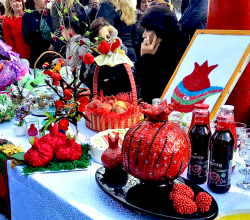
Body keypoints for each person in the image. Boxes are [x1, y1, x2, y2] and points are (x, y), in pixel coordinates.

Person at [135, 5, 185, 104]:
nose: (144, 35)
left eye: (148, 30)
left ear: (160, 29)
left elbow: (150, 90)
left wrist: (145, 57)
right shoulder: (163, 47)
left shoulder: (173, 53)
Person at [80, 17, 132, 97]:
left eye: (108, 37)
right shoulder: (90, 59)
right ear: (93, 42)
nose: (106, 42)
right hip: (96, 103)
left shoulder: (119, 56)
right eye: (100, 39)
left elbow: (127, 84)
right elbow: (84, 80)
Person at [22, 0, 53, 68]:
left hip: (53, 55)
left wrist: (53, 44)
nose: (46, 1)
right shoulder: (28, 15)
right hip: (38, 56)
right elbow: (27, 37)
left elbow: (57, 30)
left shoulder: (51, 13)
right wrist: (46, 47)